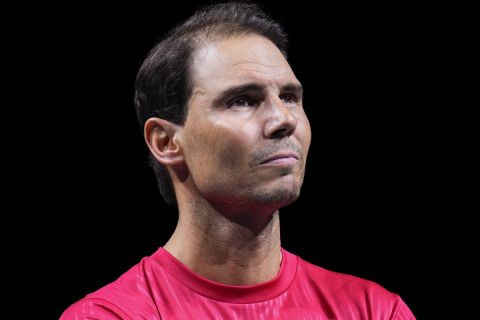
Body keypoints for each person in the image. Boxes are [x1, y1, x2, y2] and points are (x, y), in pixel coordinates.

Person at [61, 2, 415, 319]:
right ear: (166, 141)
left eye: (290, 96)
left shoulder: (375, 310)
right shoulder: (111, 316)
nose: (284, 120)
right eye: (243, 100)